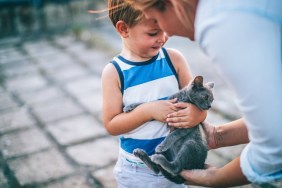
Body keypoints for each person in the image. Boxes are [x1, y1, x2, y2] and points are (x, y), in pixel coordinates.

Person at [124, 0, 282, 187]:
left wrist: (220, 178)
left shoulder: (219, 20)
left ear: (171, 4)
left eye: (156, 20)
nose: (167, 34)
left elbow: (275, 140)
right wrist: (216, 135)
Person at [101, 0, 207, 187]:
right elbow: (111, 124)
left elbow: (197, 101)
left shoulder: (174, 60)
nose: (163, 37)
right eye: (153, 33)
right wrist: (147, 111)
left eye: (164, 29)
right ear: (124, 29)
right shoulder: (115, 72)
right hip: (136, 170)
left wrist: (199, 114)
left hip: (175, 164)